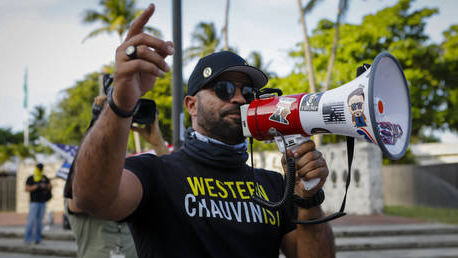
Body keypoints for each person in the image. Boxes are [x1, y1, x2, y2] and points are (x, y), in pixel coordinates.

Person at [72, 4, 335, 258]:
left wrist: (308, 201)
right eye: (224, 89)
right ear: (192, 105)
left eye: (248, 92)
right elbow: (90, 198)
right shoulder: (156, 174)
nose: (240, 100)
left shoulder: (277, 186)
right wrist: (122, 101)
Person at [64, 95, 169, 258]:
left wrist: (158, 144)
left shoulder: (132, 194)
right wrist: (97, 123)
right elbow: (79, 191)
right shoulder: (82, 195)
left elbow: (171, 187)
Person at [24, 163, 52, 244]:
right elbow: (27, 188)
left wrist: (45, 186)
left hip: (42, 202)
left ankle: (38, 239)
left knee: (39, 222)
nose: (39, 170)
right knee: (31, 221)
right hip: (34, 203)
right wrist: (37, 186)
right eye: (38, 168)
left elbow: (50, 186)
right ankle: (27, 239)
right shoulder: (31, 178)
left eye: (41, 169)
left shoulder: (44, 178)